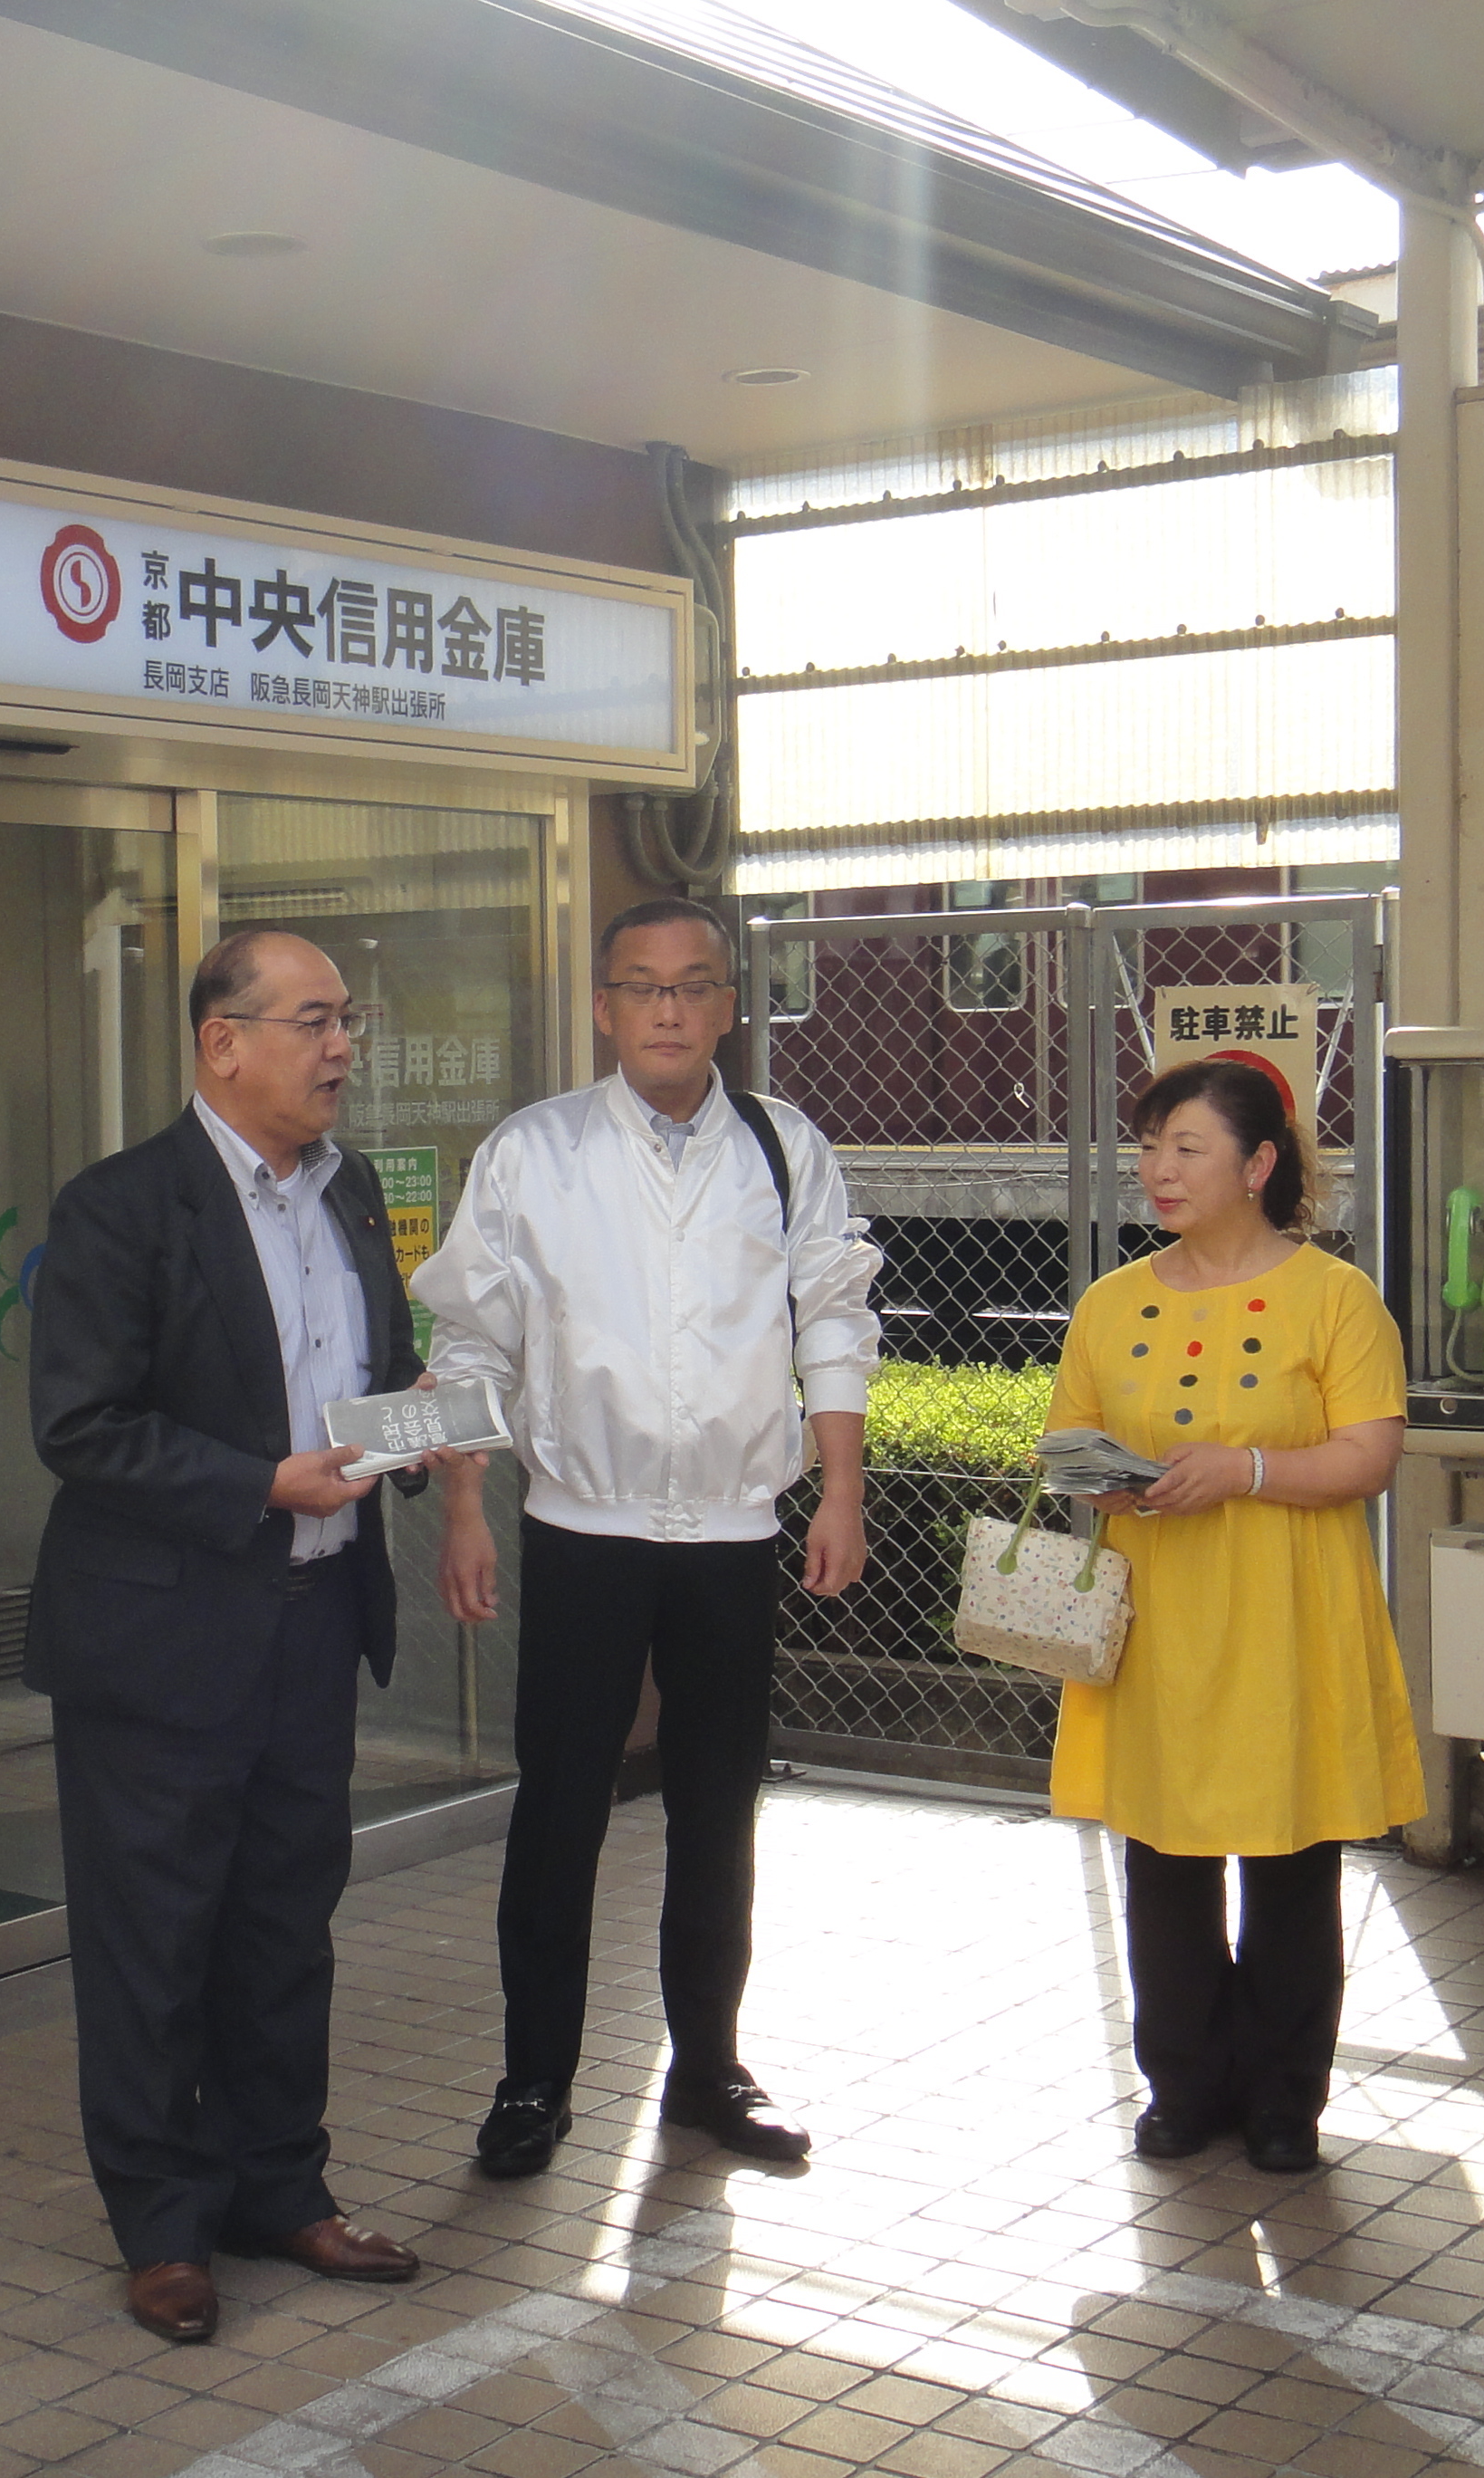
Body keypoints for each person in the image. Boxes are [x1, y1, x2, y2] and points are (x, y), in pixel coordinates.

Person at [416, 895, 881, 2181]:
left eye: (693, 985)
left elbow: (834, 1318)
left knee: (719, 1813)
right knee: (560, 1811)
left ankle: (710, 2069)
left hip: (735, 1535)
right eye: (642, 987)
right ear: (605, 1008)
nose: (669, 1009)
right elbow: (471, 1338)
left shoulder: (785, 1150)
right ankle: (532, 2082)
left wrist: (836, 1491)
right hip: (583, 1530)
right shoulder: (533, 1153)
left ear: (731, 1003)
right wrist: (465, 1504)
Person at [24, 927, 438, 2344]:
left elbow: (364, 1377)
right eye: (315, 1021)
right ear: (222, 1041)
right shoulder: (122, 1208)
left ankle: (279, 2186)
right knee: (154, 1939)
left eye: (347, 1022)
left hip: (314, 1620)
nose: (342, 1050)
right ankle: (162, 2223)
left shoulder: (351, 1190)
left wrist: (420, 1419)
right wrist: (261, 1484)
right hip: (162, 1638)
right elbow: (79, 1423)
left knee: (283, 1924)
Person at [1041, 1058, 1416, 2176]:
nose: (1157, 1169)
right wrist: (1103, 1480)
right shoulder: (1113, 1302)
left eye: (1185, 1148)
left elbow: (1370, 1454)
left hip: (1290, 1615)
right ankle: (1183, 2089)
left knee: (1293, 1856)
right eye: (1150, 1145)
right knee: (1163, 1857)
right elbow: (1068, 1448)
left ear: (1258, 1166)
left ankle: (1284, 2099)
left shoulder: (1335, 1298)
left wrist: (1247, 1468)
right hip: (1159, 1623)